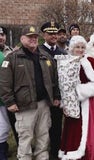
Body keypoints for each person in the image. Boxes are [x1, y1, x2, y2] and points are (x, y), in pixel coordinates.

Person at [0, 25, 61, 160]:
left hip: (44, 104)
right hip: (24, 106)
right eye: (30, 37)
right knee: (25, 137)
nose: (33, 39)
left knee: (43, 136)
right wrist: (9, 102)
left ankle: (42, 157)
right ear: (22, 39)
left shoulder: (45, 57)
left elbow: (54, 79)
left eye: (35, 37)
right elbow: (4, 83)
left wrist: (56, 96)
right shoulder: (12, 58)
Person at [39, 21, 67, 159]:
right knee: (42, 128)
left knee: (56, 127)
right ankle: (42, 152)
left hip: (57, 97)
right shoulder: (38, 51)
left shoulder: (62, 53)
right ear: (44, 35)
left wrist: (59, 96)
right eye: (50, 33)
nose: (54, 36)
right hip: (43, 97)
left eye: (55, 33)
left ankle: (55, 152)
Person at [0, 26, 18, 150]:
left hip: (10, 95)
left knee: (14, 123)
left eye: (2, 35)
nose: (0, 37)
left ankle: (20, 146)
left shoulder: (10, 51)